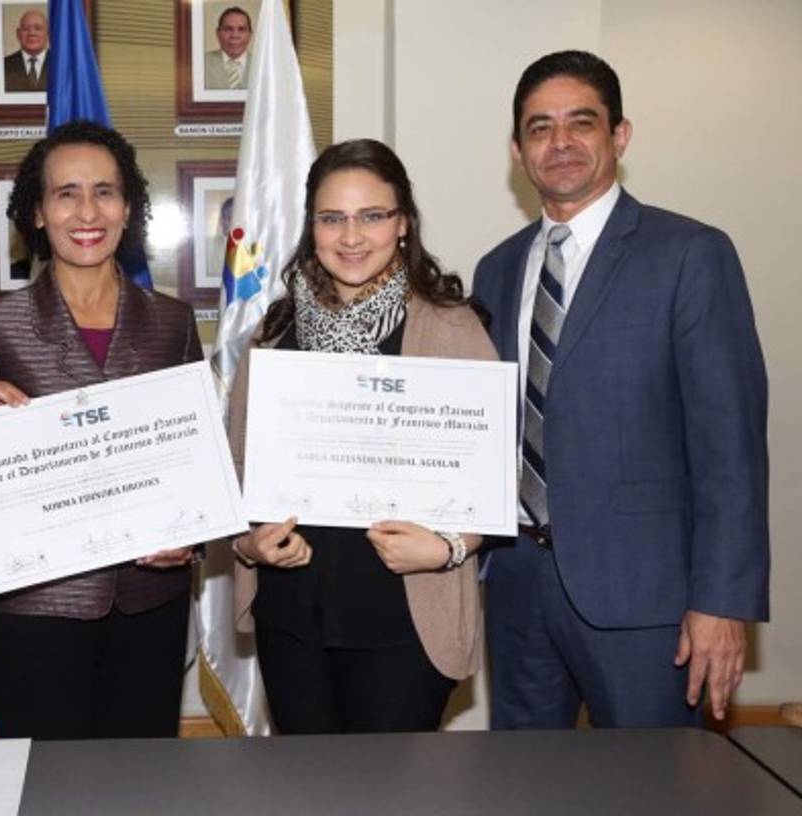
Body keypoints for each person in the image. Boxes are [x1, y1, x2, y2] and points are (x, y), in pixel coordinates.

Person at [474, 50, 769, 729]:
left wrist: (722, 602)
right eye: (541, 128)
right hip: (517, 588)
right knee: (523, 790)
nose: (562, 143)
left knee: (656, 791)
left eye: (582, 122)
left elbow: (731, 450)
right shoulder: (497, 269)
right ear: (518, 151)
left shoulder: (691, 255)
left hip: (648, 601)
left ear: (620, 135)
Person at [227, 139, 495, 733]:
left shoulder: (453, 329)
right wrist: (251, 544)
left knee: (391, 794)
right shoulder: (273, 334)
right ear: (312, 227)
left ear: (403, 224)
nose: (351, 237)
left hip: (403, 615)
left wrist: (449, 546)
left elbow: (493, 482)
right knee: (306, 790)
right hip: (292, 617)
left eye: (372, 216)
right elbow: (235, 475)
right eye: (332, 218)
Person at [0, 120, 202, 740]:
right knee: (44, 782)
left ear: (128, 207)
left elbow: (200, 460)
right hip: (38, 603)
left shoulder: (171, 322)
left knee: (142, 779)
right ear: (36, 212)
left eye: (105, 192)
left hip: (150, 598)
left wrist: (192, 538)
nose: (86, 211)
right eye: (66, 193)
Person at [203, 6, 252, 90]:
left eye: (241, 29)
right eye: (228, 29)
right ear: (218, 33)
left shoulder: (262, 65)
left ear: (250, 35)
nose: (235, 35)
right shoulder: (200, 64)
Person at [3, 9, 48, 93]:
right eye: (26, 29)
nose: (32, 33)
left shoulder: (61, 65)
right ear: (18, 34)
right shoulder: (3, 65)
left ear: (48, 34)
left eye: (38, 28)